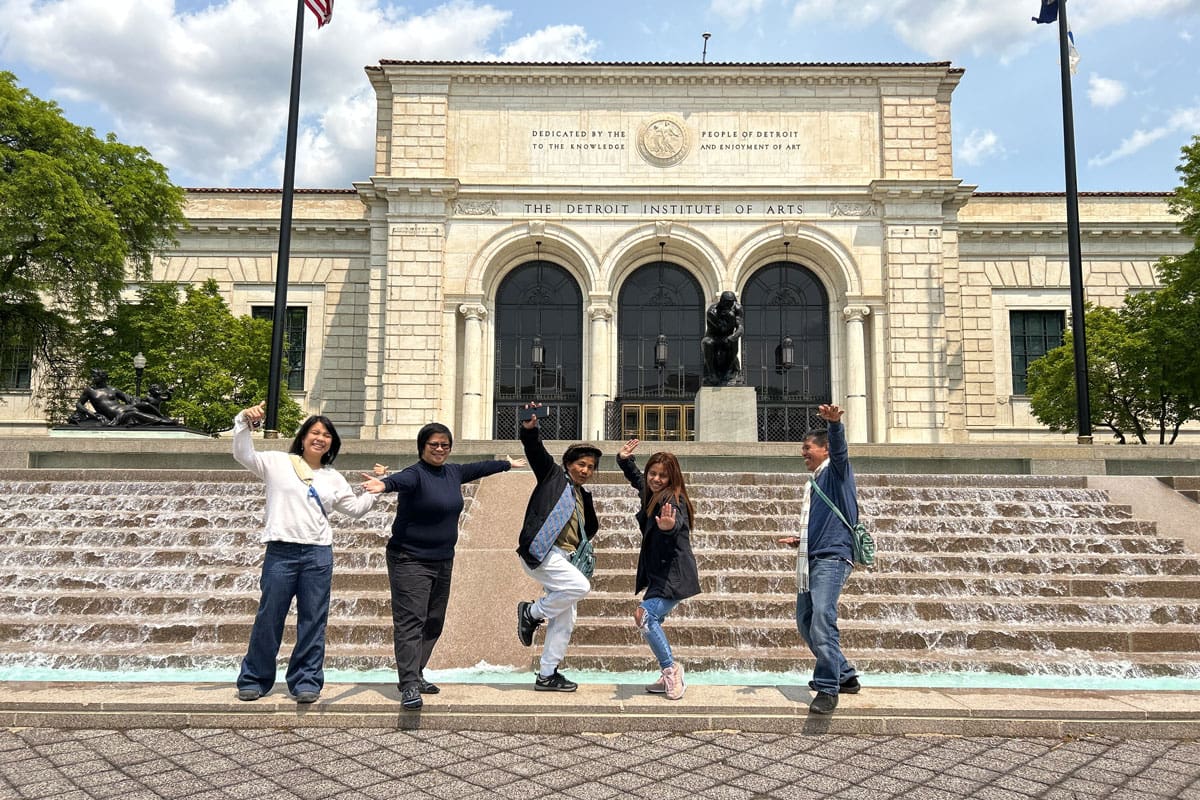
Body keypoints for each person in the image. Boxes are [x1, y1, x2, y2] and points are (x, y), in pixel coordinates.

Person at [360, 423, 525, 710]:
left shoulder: (452, 472)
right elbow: (399, 481)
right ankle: (409, 684)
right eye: (434, 444)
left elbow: (479, 467)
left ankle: (416, 673)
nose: (439, 449)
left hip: (442, 559)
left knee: (434, 620)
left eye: (445, 445)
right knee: (411, 621)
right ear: (422, 446)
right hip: (409, 559)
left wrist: (506, 464)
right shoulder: (415, 474)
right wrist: (383, 484)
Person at [232, 401, 376, 704]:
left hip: (317, 554)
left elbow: (354, 510)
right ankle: (255, 679)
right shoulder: (277, 462)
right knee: (269, 616)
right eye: (314, 432)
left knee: (313, 619)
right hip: (280, 551)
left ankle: (306, 680)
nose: (320, 438)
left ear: (332, 443)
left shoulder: (333, 478)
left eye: (326, 435)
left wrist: (375, 491)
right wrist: (244, 420)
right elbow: (242, 454)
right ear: (303, 436)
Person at [778, 404, 861, 715]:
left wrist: (836, 424)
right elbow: (824, 520)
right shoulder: (815, 483)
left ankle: (828, 687)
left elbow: (841, 451)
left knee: (822, 617)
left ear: (825, 450)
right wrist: (800, 541)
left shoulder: (837, 472)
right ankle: (845, 675)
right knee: (805, 621)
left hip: (833, 557)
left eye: (807, 447)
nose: (803, 453)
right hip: (813, 554)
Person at [514, 404, 602, 692]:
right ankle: (531, 613)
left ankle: (546, 674)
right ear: (568, 463)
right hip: (542, 553)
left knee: (565, 620)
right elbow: (535, 450)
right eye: (581, 464)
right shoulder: (552, 477)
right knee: (580, 587)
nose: (586, 470)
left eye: (590, 467)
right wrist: (529, 428)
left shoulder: (583, 495)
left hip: (565, 559)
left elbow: (588, 530)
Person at [615, 439, 701, 700]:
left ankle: (671, 670)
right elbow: (638, 481)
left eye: (662, 475)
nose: (655, 478)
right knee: (649, 620)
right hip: (659, 575)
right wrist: (623, 460)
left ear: (671, 477)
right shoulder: (652, 493)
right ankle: (668, 671)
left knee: (645, 616)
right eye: (653, 473)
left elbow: (677, 526)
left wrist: (667, 528)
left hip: (673, 576)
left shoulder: (672, 501)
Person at [701, 290, 744, 386]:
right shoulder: (712, 311)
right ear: (722, 302)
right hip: (714, 337)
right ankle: (712, 373)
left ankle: (730, 373)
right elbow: (722, 329)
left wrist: (733, 337)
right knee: (707, 342)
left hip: (728, 337)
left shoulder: (737, 308)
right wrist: (731, 316)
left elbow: (740, 328)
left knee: (733, 341)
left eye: (732, 302)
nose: (731, 305)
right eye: (728, 303)